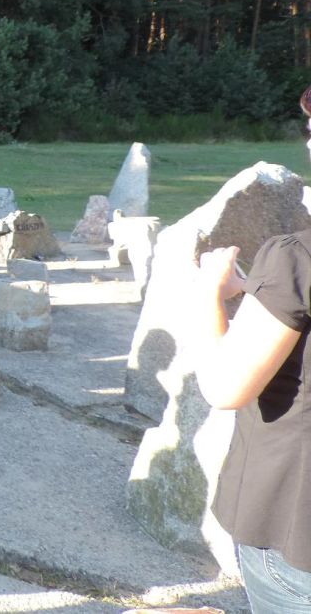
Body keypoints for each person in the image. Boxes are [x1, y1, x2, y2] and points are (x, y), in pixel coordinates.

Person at [193, 85, 311, 612]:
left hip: (294, 528)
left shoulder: (297, 259)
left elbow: (224, 387)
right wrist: (265, 296)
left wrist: (210, 295)